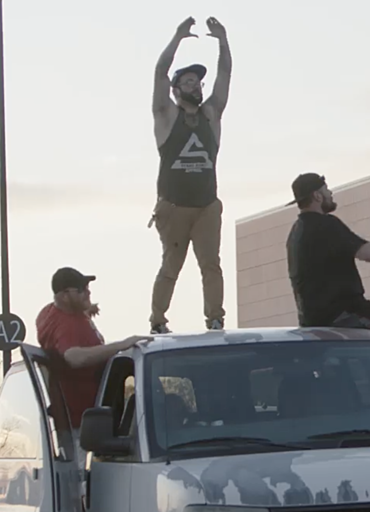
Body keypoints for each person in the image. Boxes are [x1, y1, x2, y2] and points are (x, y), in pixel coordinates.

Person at [149, 16, 233, 334]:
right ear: (175, 90)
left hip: (206, 205)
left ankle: (215, 317)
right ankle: (158, 319)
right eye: (187, 82)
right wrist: (178, 37)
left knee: (211, 264)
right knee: (172, 265)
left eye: (197, 82)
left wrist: (223, 41)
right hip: (173, 205)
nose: (195, 85)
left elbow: (225, 74)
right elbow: (158, 73)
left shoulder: (211, 114)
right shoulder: (166, 115)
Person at [35, 268, 152, 475]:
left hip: (83, 420)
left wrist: (86, 311)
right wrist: (121, 345)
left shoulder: (51, 313)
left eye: (87, 287)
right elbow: (73, 357)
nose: (88, 292)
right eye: (81, 290)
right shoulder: (67, 325)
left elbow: (57, 331)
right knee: (84, 483)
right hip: (84, 425)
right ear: (64, 295)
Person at [285, 173, 370, 343]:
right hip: (345, 311)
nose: (330, 193)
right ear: (317, 196)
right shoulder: (326, 225)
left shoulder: (295, 234)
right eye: (326, 189)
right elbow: (367, 252)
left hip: (311, 321)